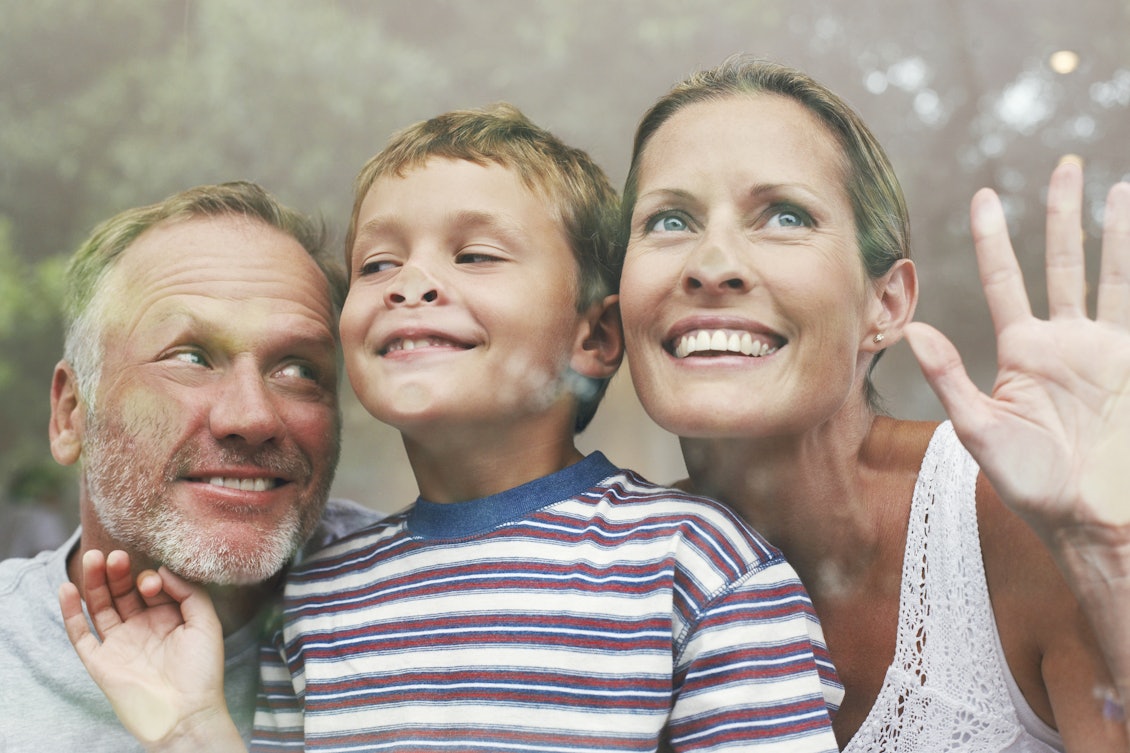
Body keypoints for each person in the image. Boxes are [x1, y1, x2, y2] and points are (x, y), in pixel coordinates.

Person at [62, 104, 843, 752]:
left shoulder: (696, 564)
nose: (412, 283)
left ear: (595, 336)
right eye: (377, 265)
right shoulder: (318, 593)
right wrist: (194, 729)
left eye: (475, 254)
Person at [616, 57, 1130, 751]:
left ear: (884, 304)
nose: (711, 266)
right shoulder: (606, 575)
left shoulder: (1024, 520)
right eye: (670, 219)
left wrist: (1112, 564)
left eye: (785, 216)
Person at [0, 182, 379, 752]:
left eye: (298, 370)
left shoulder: (431, 610)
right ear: (71, 414)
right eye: (191, 358)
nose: (253, 416)